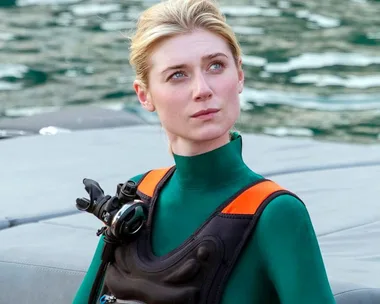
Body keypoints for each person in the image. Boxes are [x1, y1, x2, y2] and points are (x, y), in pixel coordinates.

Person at [73, 0, 336, 303]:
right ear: (144, 95)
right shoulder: (136, 197)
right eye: (178, 74)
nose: (202, 89)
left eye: (216, 66)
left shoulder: (275, 214)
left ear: (239, 75)